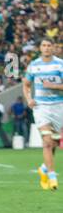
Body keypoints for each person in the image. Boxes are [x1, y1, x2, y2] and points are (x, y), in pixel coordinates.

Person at [23, 37, 63, 190]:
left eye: (49, 45)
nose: (46, 48)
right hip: (41, 107)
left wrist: (52, 86)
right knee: (47, 141)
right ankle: (52, 176)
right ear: (40, 48)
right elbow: (26, 85)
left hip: (58, 106)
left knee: (53, 143)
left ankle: (44, 168)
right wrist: (29, 99)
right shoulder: (34, 65)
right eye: (44, 45)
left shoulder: (60, 64)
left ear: (53, 47)